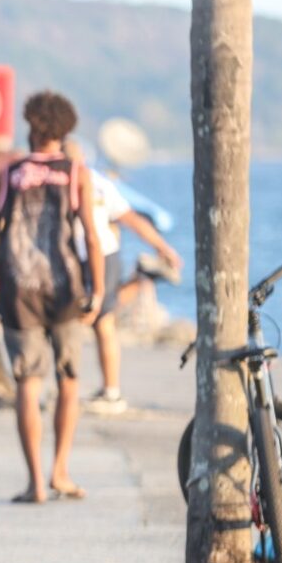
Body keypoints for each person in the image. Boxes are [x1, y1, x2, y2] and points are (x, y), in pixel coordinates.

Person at [0, 92, 105, 504]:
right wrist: (98, 289)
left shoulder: (10, 172)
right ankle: (60, 472)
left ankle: (34, 482)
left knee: (27, 384)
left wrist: (1, 278)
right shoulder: (75, 173)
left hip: (20, 293)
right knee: (69, 380)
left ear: (31, 126)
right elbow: (90, 234)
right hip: (65, 289)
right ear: (65, 130)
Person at [64, 143, 182, 414]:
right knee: (96, 315)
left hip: (99, 254)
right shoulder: (84, 180)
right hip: (87, 256)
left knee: (102, 320)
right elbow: (132, 220)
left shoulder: (97, 183)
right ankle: (141, 278)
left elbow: (131, 219)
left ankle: (111, 392)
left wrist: (164, 249)